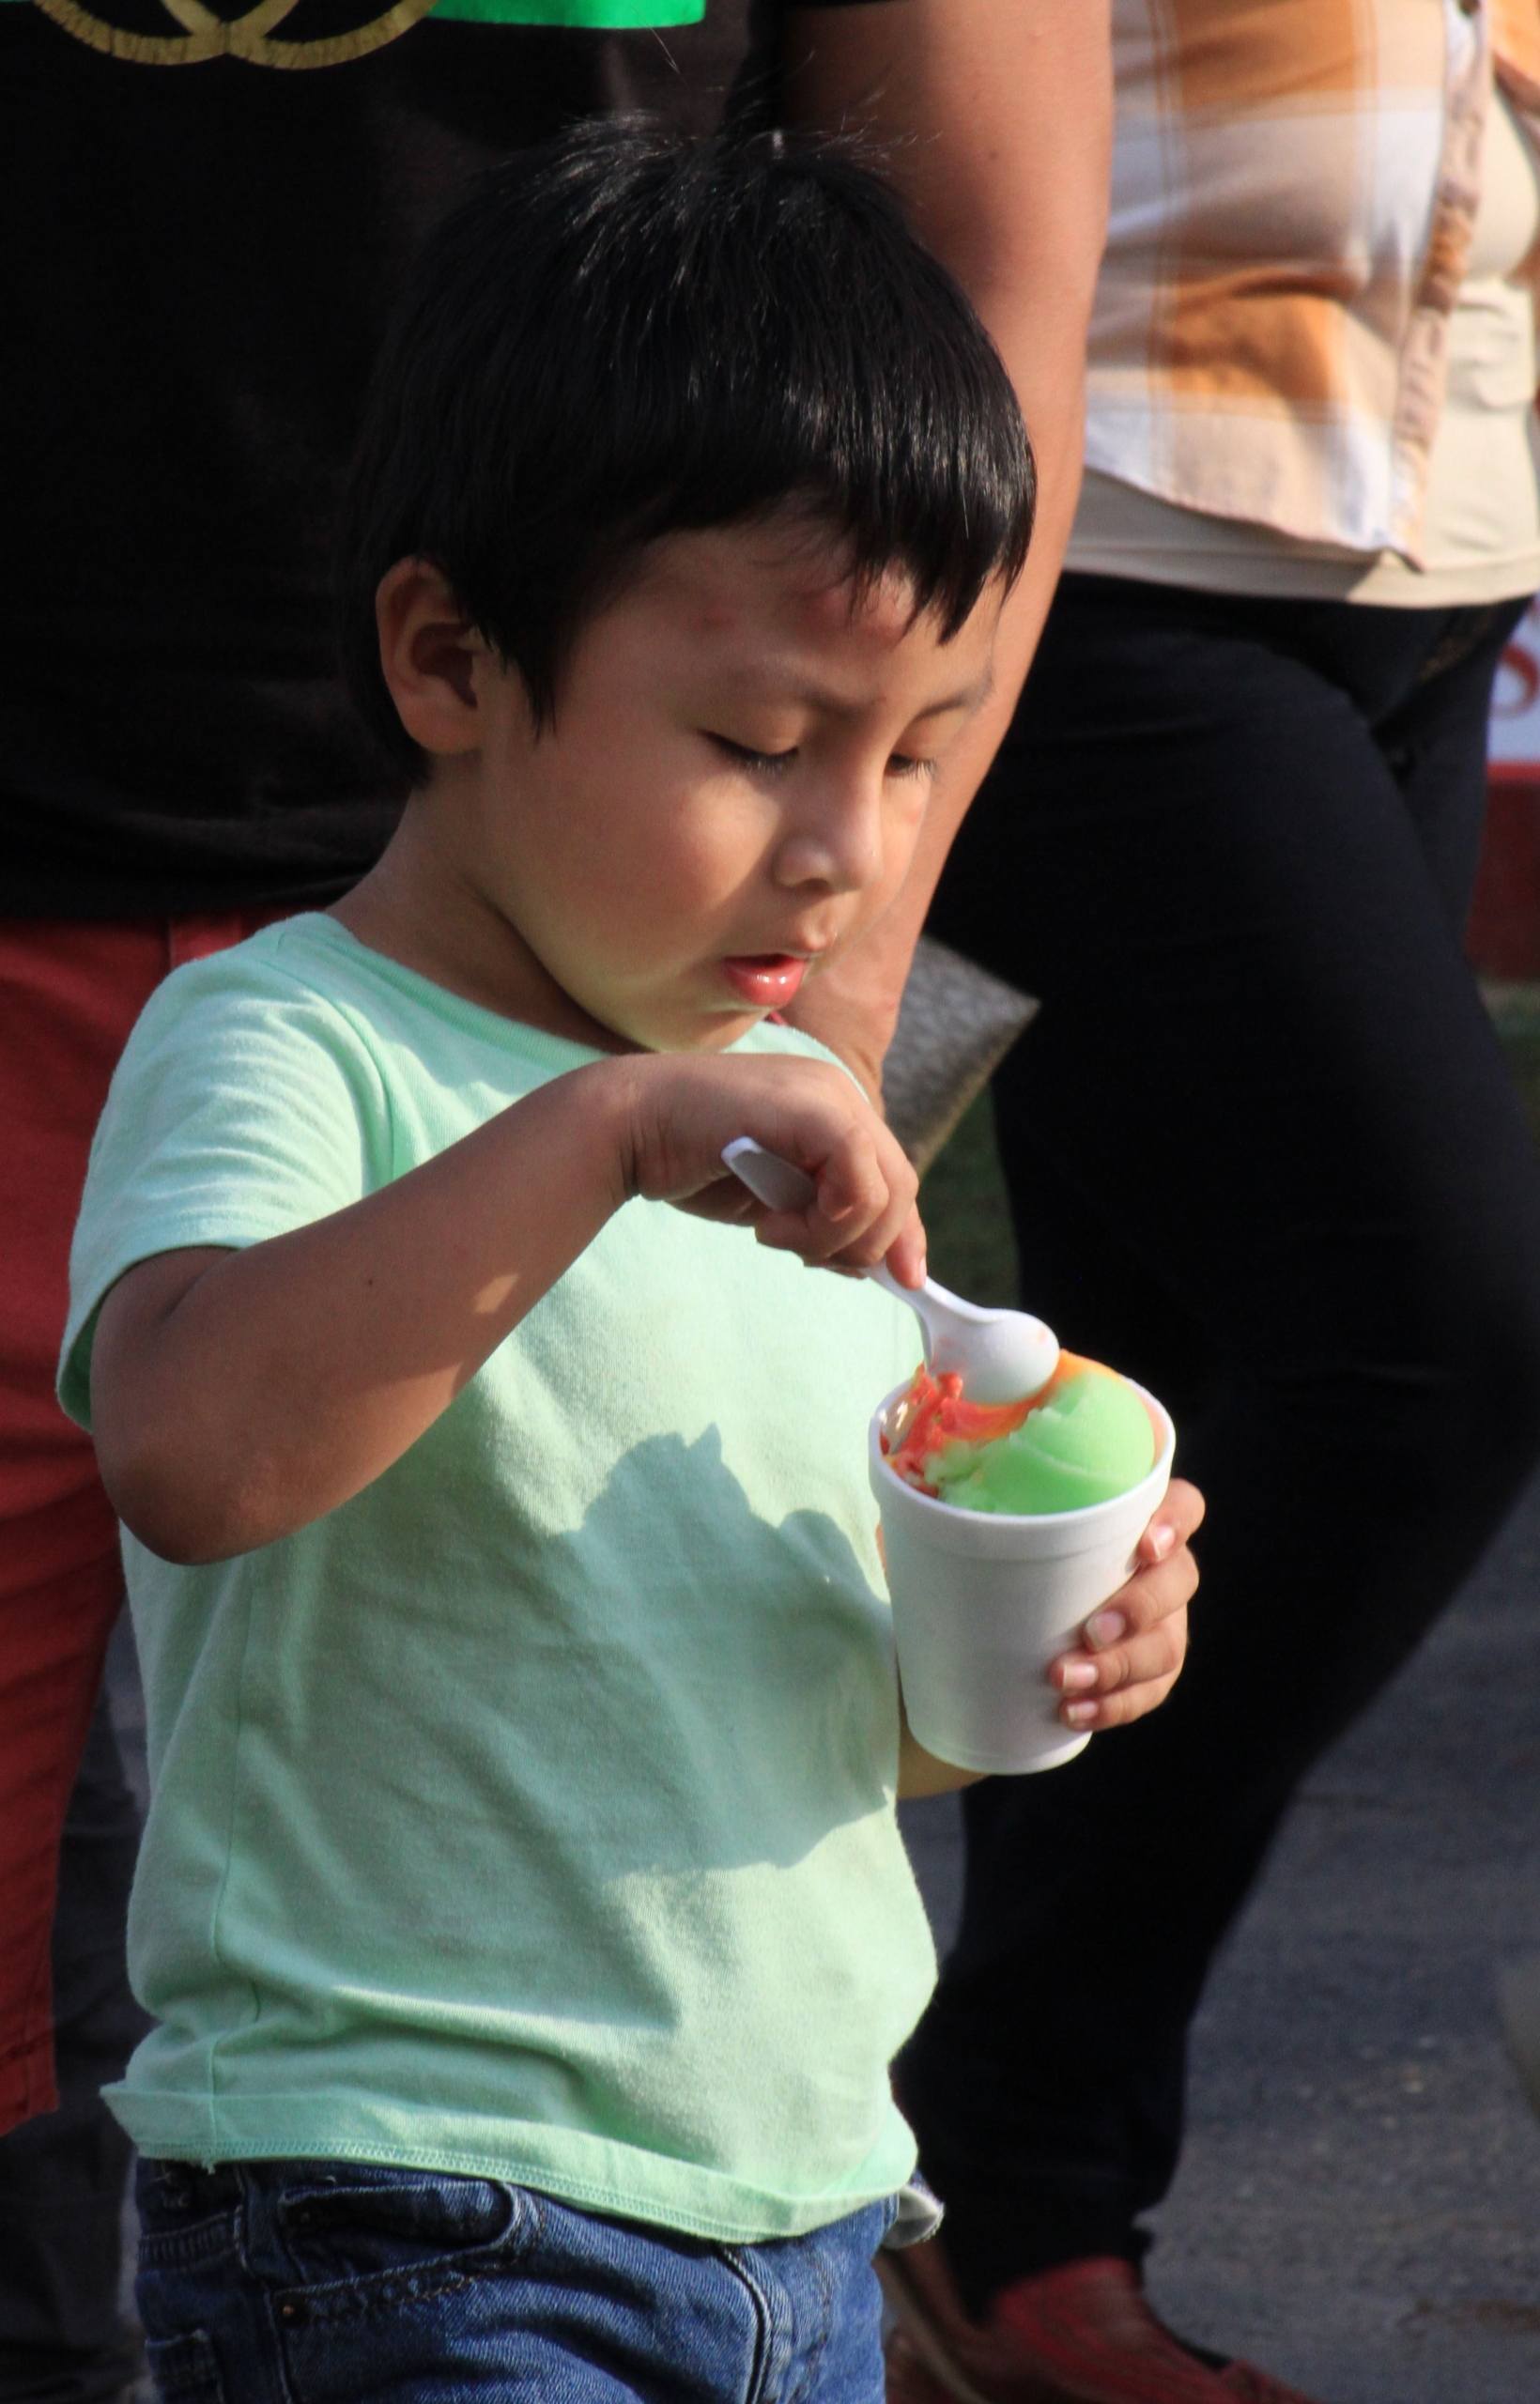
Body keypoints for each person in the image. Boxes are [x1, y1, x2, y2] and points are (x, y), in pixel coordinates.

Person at [0, 5, 1112, 2389]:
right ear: (446, 654)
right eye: (753, 743)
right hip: (408, 2201)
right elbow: (197, 1452)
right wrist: (595, 1138)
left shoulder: (785, 1121)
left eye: (915, 753)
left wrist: (1042, 1643)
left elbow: (769, 1681)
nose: (850, 843)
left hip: (798, 2204)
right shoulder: (304, 1037)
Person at [877, 3, 1540, 2399]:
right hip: (1099, 514)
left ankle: (1023, 2224)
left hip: (1438, 513)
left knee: (1150, 1389)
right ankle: (942, 2131)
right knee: (1428, 1340)